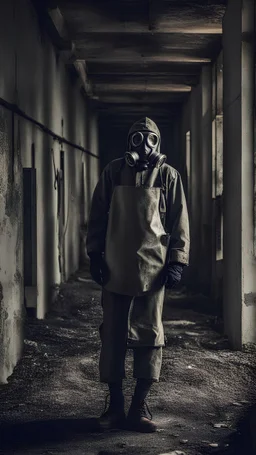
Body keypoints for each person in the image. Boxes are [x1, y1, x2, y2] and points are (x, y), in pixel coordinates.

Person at [86, 117, 190, 433]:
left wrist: (177, 261)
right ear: (128, 142)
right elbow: (98, 214)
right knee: (114, 334)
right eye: (137, 138)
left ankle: (138, 407)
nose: (143, 144)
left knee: (150, 335)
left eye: (150, 138)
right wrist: (95, 254)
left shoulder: (169, 176)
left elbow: (178, 220)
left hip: (154, 269)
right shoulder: (113, 172)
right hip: (116, 266)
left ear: (158, 143)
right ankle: (114, 405)